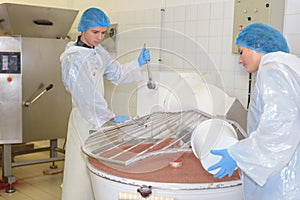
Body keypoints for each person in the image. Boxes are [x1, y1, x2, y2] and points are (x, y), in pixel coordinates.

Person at [60, 7, 150, 200]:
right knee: (79, 172)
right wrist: (110, 116)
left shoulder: (98, 52)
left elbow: (116, 74)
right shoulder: (73, 58)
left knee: (95, 170)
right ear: (83, 29)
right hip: (83, 120)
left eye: (103, 32)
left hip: (97, 119)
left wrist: (137, 63)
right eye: (95, 32)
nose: (100, 37)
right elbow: (85, 95)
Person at [207, 23, 300, 199]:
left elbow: (281, 122)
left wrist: (239, 154)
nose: (239, 60)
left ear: (257, 46)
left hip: (282, 183)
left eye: (241, 52)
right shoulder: (290, 68)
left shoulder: (272, 67)